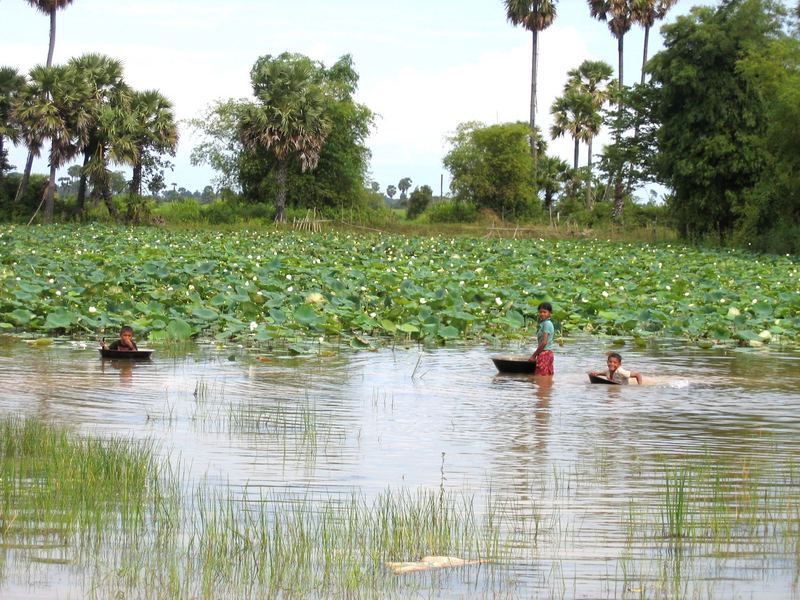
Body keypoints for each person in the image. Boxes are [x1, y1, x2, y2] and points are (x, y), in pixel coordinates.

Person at [528, 302, 555, 375]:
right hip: (548, 354)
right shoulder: (544, 323)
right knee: (547, 377)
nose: (542, 314)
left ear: (550, 313)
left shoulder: (546, 324)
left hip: (544, 354)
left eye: (544, 312)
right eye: (540, 312)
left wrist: (534, 356)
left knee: (540, 377)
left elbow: (544, 342)